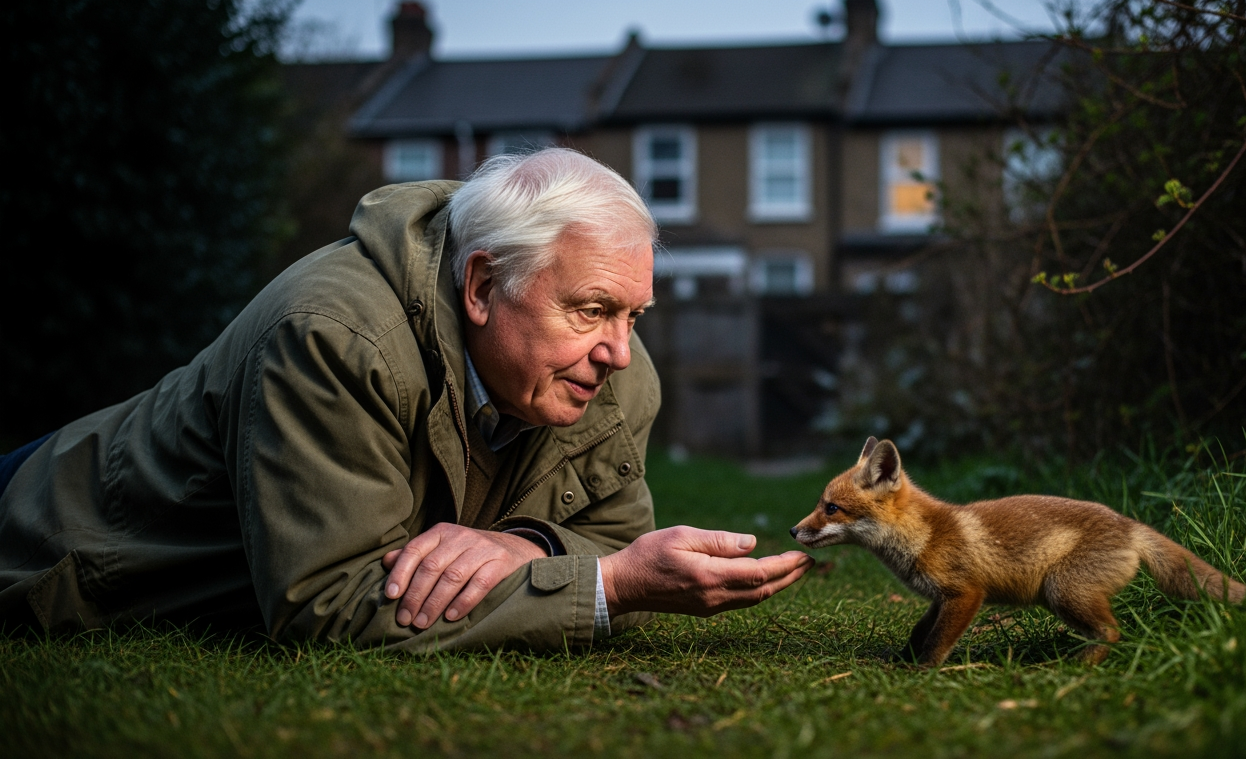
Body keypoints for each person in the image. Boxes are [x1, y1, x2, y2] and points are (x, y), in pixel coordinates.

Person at [0, 148, 813, 649]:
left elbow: (610, 529)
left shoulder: (610, 373)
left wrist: (527, 546)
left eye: (634, 315)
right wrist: (604, 588)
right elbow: (326, 599)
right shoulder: (332, 335)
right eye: (593, 309)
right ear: (484, 284)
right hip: (46, 521)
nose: (619, 351)